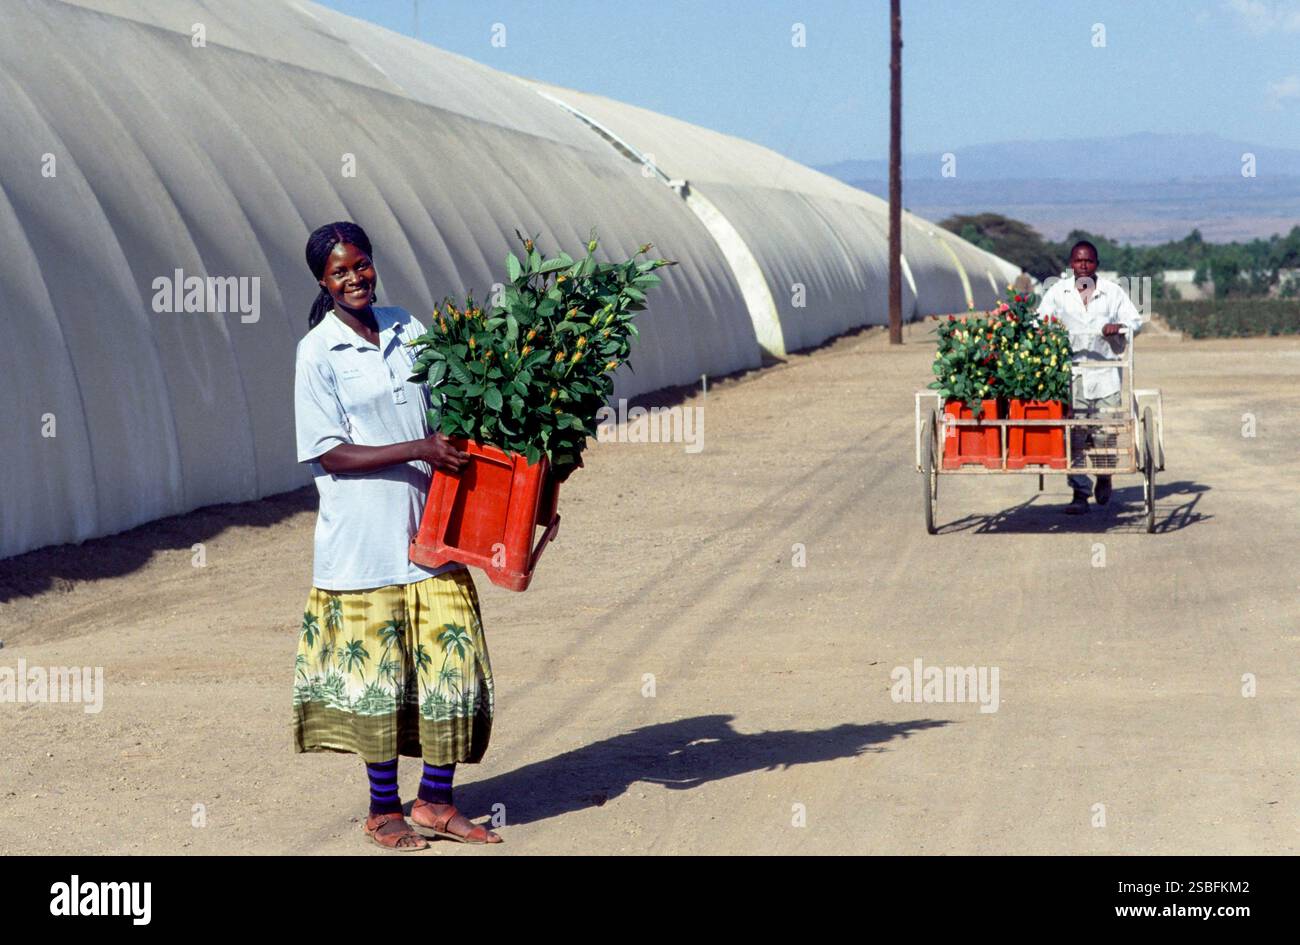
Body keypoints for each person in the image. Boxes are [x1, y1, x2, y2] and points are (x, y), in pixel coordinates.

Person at [292, 221, 502, 849]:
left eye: (360, 264)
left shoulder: (409, 327)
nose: (354, 277)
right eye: (339, 272)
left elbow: (452, 409)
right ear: (323, 283)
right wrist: (419, 448)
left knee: (452, 669)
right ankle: (384, 809)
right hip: (363, 544)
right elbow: (328, 452)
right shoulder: (317, 353)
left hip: (431, 533)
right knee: (379, 681)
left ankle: (436, 801)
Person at [1035, 240, 1143, 515]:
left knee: (1105, 432)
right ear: (1071, 264)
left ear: (1096, 264)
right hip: (1072, 373)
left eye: (1089, 261)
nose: (1083, 265)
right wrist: (1047, 330)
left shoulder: (1112, 292)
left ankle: (1105, 475)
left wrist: (1117, 327)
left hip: (1106, 371)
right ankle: (1079, 493)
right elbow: (1039, 321)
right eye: (1078, 261)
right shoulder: (1058, 292)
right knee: (1075, 433)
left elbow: (1135, 322)